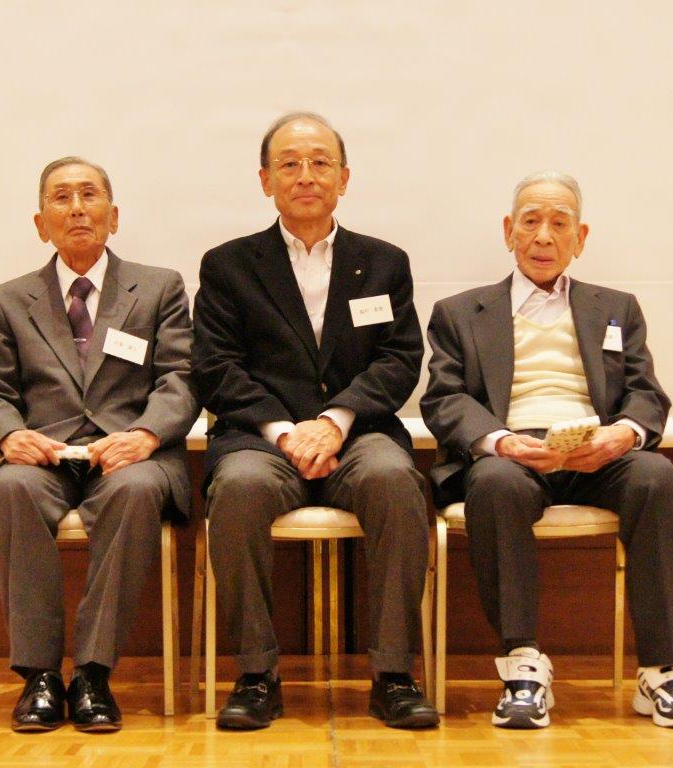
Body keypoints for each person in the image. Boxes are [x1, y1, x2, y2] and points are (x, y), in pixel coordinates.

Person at [420, 170, 673, 730]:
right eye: (531, 221)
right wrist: (500, 442)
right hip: (512, 450)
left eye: (560, 224)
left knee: (661, 480)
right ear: (508, 230)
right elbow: (444, 398)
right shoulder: (460, 312)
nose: (544, 236)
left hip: (594, 450)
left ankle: (666, 674)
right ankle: (523, 669)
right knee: (494, 484)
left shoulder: (616, 308)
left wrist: (622, 434)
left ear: (581, 238)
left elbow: (646, 392)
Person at [192, 113, 438, 730]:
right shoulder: (228, 266)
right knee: (239, 488)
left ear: (344, 178)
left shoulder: (383, 262)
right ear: (265, 180)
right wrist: (285, 431)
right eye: (290, 164)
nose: (306, 175)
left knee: (395, 481)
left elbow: (399, 359)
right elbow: (216, 367)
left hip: (358, 433)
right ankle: (256, 676)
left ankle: (394, 674)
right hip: (260, 439)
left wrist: (334, 420)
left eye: (320, 162)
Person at [0, 156, 198, 732]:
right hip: (44, 457)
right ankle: (40, 675)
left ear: (113, 216)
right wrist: (8, 435)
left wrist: (145, 434)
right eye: (61, 198)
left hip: (129, 454)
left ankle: (93, 672)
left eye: (89, 195)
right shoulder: (10, 299)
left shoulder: (159, 287)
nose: (76, 209)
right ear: (40, 223)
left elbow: (182, 377)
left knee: (135, 491)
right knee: (11, 489)